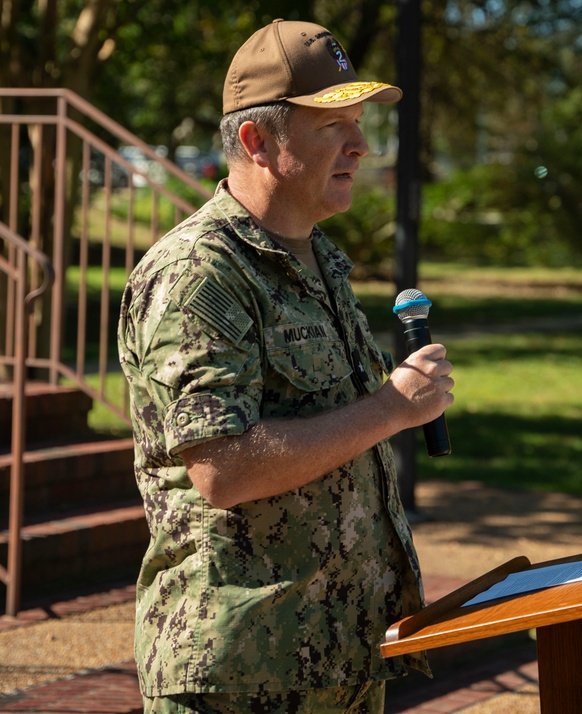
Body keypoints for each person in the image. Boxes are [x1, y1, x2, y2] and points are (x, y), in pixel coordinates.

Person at [117, 19, 453, 713]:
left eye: (359, 123)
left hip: (343, 661)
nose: (362, 145)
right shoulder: (199, 273)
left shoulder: (319, 259)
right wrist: (392, 408)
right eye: (333, 126)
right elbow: (223, 467)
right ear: (256, 141)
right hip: (241, 675)